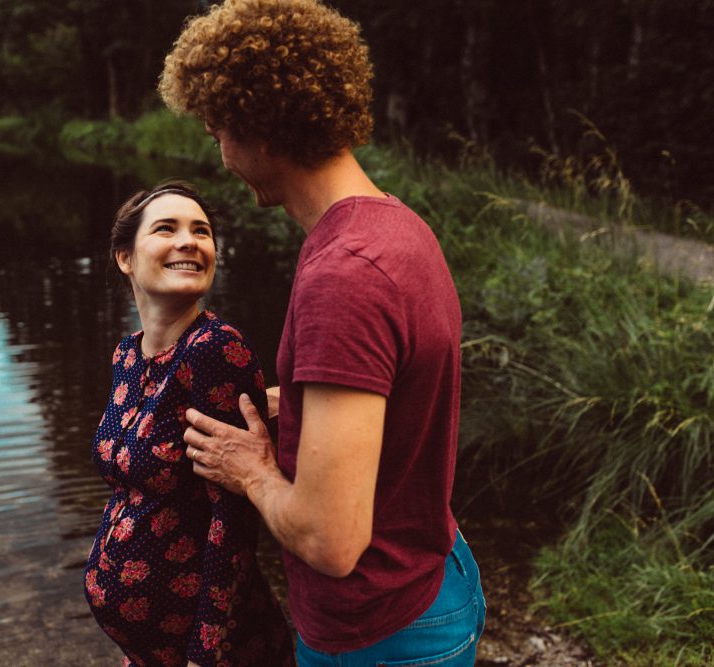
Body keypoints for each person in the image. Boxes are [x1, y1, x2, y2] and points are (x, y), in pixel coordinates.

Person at [159, 1, 486, 665]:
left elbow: (332, 538)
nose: (220, 152)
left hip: (380, 631)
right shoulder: (393, 225)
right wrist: (291, 403)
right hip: (433, 572)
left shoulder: (344, 276)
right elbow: (395, 395)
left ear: (261, 130)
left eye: (219, 129)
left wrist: (250, 470)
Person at [84, 181, 295, 667]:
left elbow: (234, 518)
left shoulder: (216, 349)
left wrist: (204, 653)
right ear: (125, 259)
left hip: (217, 651)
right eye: (166, 228)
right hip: (149, 651)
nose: (190, 241)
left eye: (201, 231)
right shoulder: (126, 355)